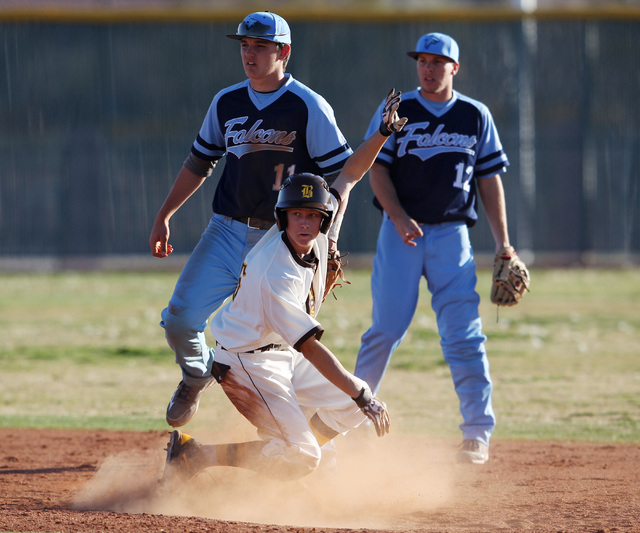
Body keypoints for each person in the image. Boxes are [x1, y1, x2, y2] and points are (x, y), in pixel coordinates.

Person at [163, 101, 407, 480]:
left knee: (349, 407)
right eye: (298, 214)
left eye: (313, 215)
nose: (306, 222)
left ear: (324, 217)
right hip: (246, 363)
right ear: (283, 217)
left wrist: (383, 134)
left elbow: (350, 175)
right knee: (315, 447)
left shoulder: (321, 233)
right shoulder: (275, 273)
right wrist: (363, 393)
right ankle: (197, 456)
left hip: (279, 356)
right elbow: (309, 347)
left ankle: (289, 445)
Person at [149, 12, 355, 429]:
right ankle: (196, 374)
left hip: (279, 243)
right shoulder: (227, 101)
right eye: (245, 45)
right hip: (225, 230)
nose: (250, 53)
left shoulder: (307, 105)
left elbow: (342, 177)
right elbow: (199, 161)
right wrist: (164, 214)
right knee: (180, 321)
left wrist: (326, 237)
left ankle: (292, 437)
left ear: (284, 52)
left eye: (261, 46)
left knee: (277, 346)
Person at [353, 32, 516, 465]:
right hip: (399, 233)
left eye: (437, 62)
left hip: (451, 236)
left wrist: (504, 245)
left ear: (454, 68)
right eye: (422, 60)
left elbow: (489, 180)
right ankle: (348, 425)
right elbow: (375, 169)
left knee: (464, 337)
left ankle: (477, 433)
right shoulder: (398, 109)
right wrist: (398, 215)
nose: (427, 68)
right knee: (384, 332)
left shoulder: (474, 115)